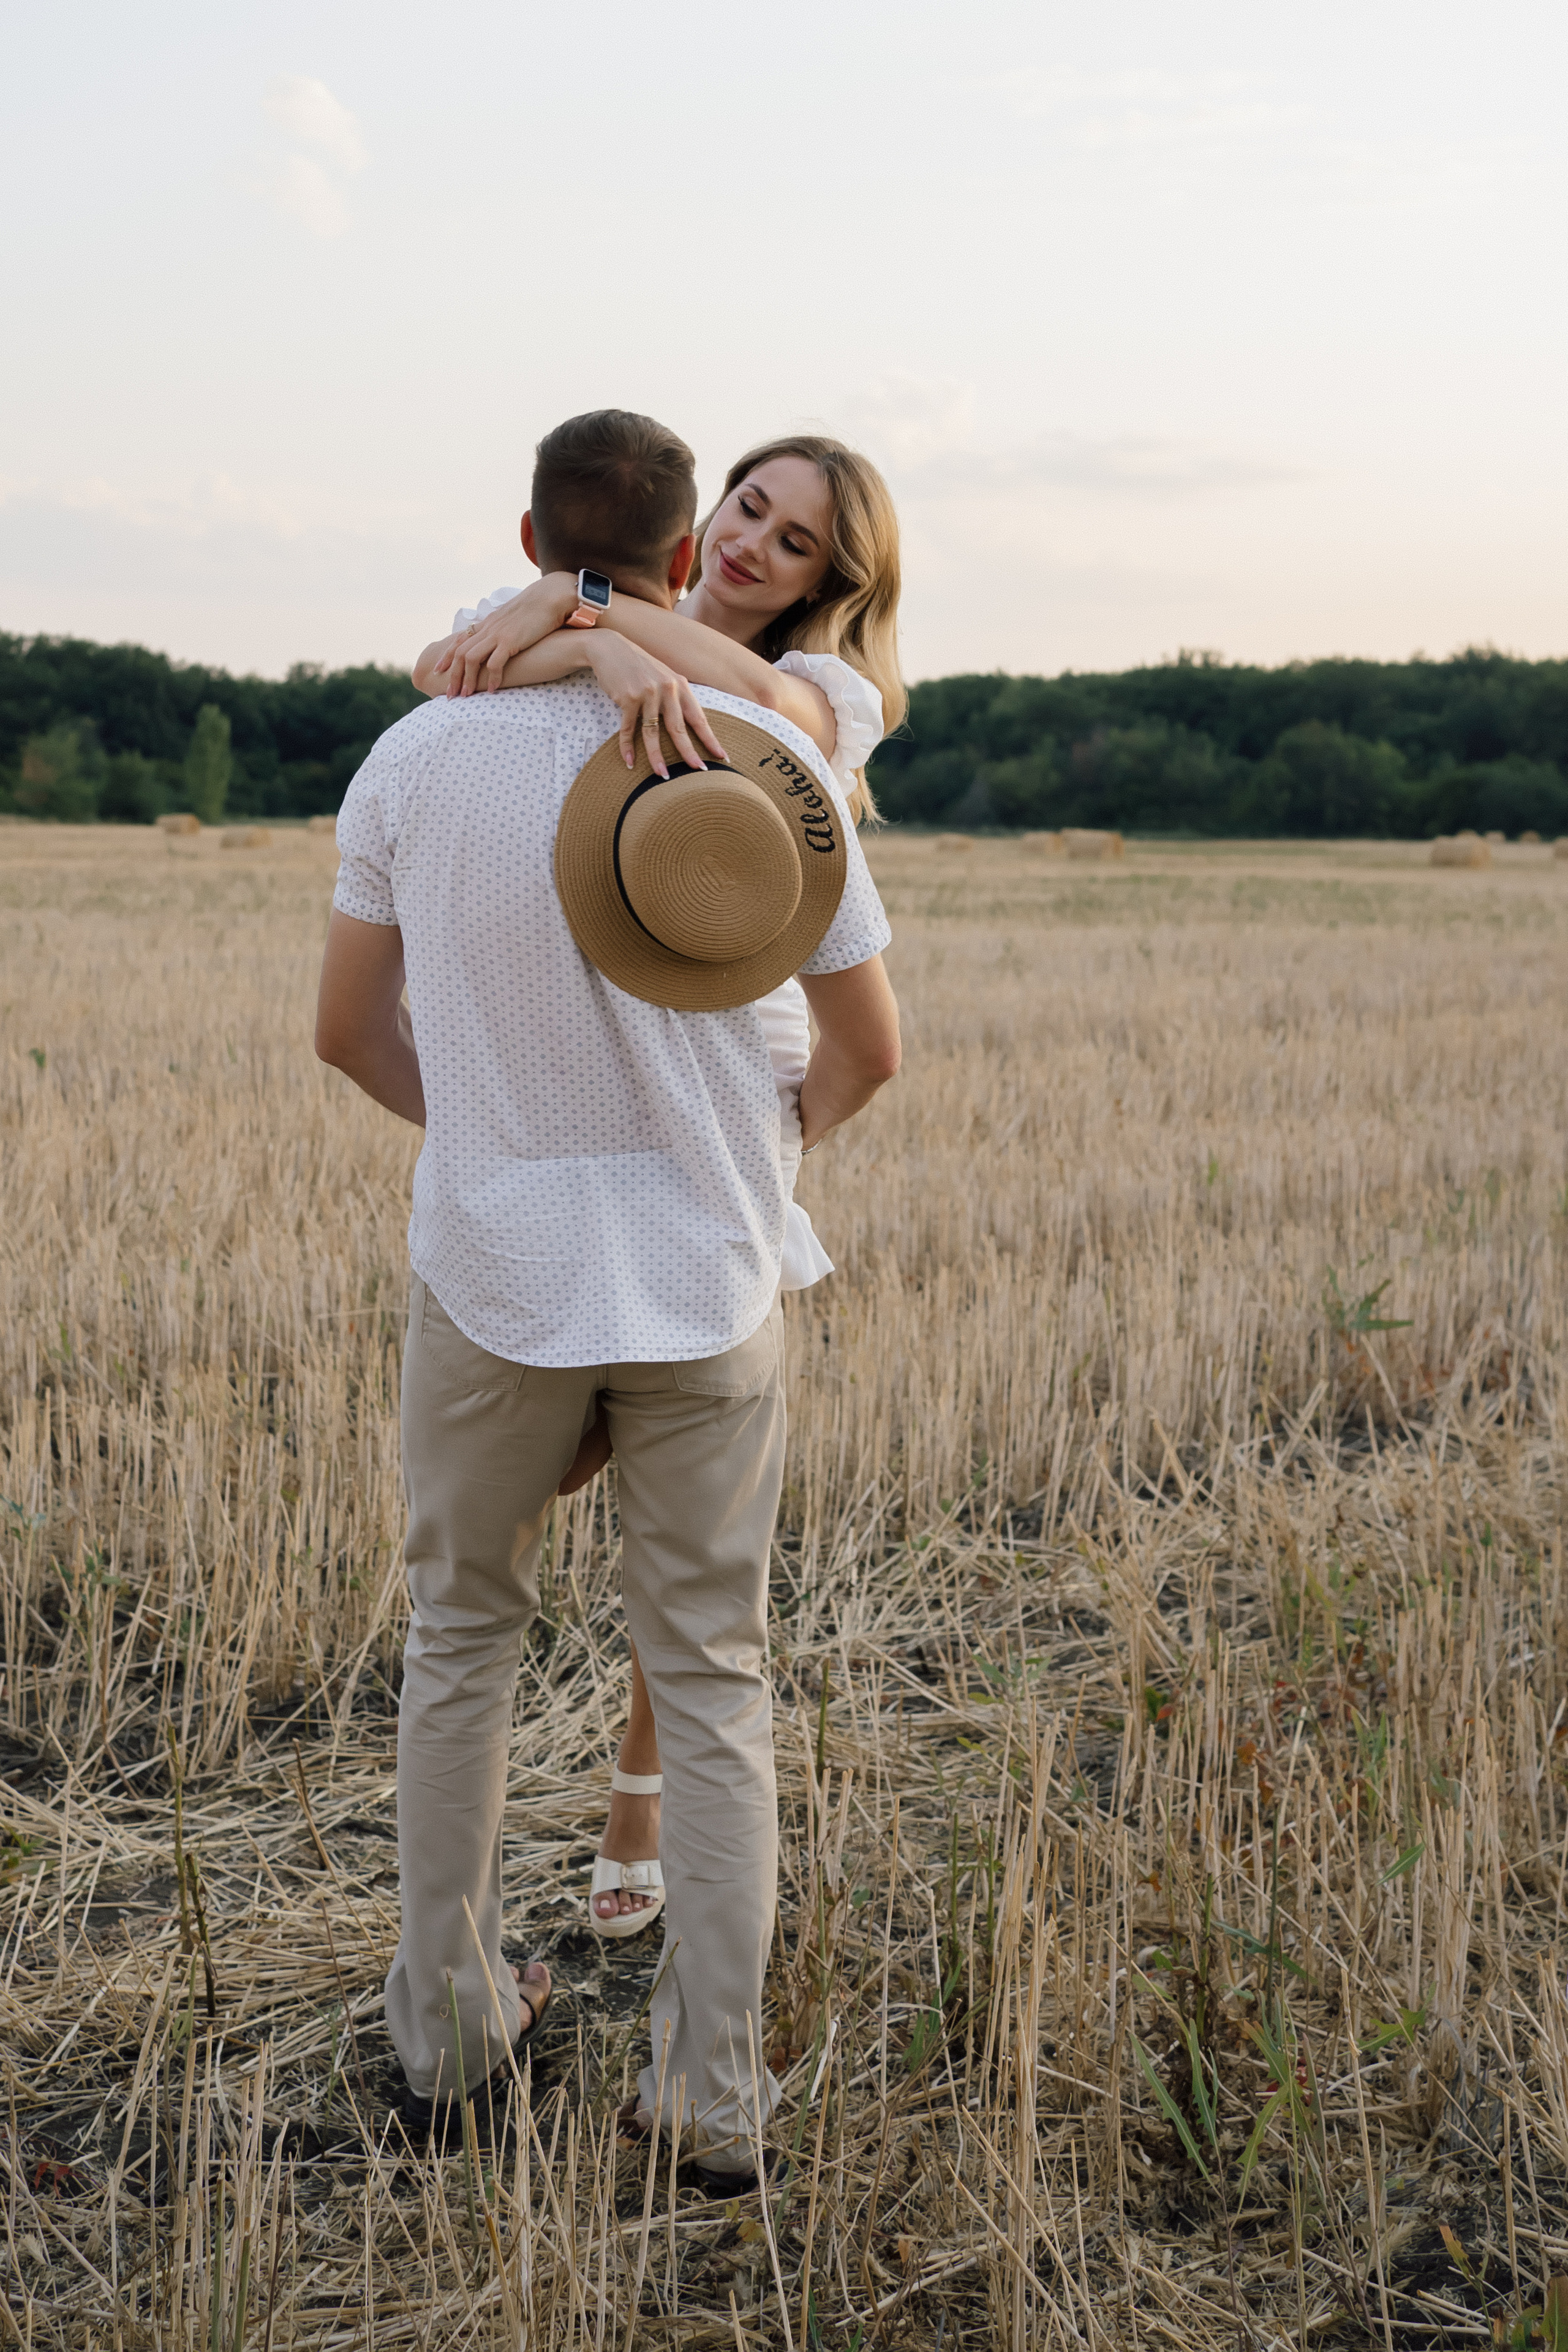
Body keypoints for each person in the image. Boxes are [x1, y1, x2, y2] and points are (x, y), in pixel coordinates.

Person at [315, 409, 901, 2180]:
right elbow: (869, 1053)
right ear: (682, 541)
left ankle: (445, 2040)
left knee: (460, 1648)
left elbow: (347, 1034)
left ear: (538, 539)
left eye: (791, 534)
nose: (752, 541)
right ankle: (709, 2103)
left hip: (491, 1270)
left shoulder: (420, 757)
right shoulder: (759, 759)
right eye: (739, 515)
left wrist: (495, 1139)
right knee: (712, 1678)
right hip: (709, 1278)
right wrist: (728, 1163)